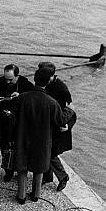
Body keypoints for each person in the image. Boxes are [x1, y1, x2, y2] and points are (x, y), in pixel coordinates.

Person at [13, 68, 64, 203]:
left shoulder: (22, 98)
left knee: (22, 168)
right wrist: (70, 112)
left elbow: (14, 117)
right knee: (39, 168)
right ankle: (35, 195)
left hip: (22, 137)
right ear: (48, 81)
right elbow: (60, 120)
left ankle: (21, 196)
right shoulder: (52, 102)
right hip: (42, 140)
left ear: (34, 79)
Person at [0, 64, 34, 181]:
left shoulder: (25, 84)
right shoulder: (0, 82)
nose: (7, 82)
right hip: (3, 122)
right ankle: (8, 171)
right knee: (5, 148)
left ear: (17, 76)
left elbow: (33, 99)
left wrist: (21, 96)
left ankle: (20, 170)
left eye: (10, 80)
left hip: (19, 124)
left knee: (19, 148)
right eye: (6, 79)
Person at [39, 62, 73, 191]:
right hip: (47, 123)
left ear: (52, 76)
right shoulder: (46, 84)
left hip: (58, 125)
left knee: (51, 153)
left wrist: (67, 125)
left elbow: (71, 109)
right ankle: (48, 176)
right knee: (46, 151)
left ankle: (63, 176)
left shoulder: (62, 88)